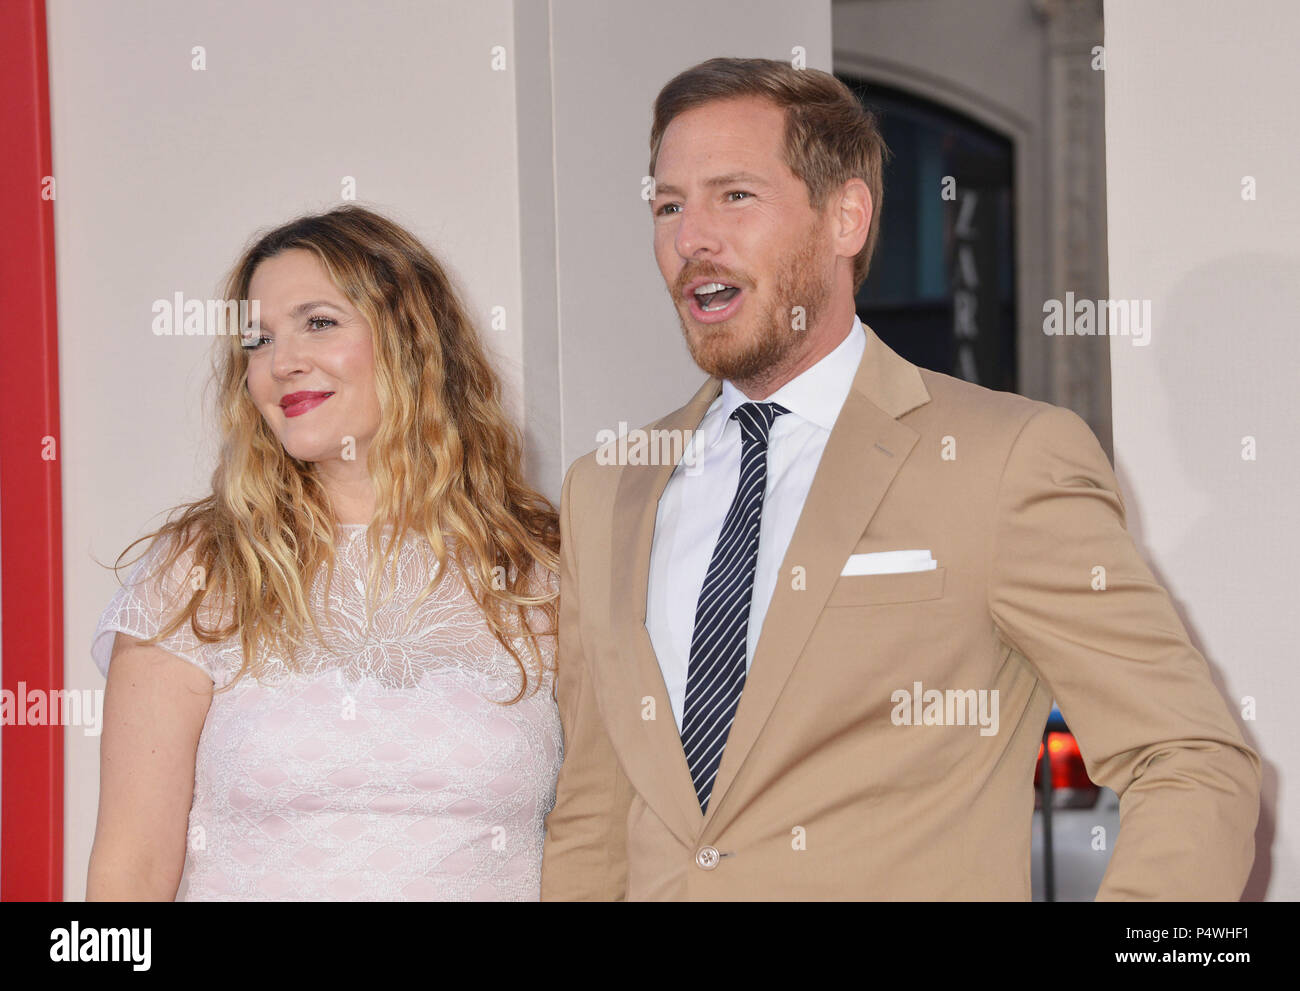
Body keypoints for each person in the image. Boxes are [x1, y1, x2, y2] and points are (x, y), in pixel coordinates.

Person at [540, 57, 1261, 900]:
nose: (690, 237)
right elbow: (593, 814)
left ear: (846, 216)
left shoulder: (1007, 458)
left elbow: (1190, 759)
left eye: (734, 195)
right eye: (668, 204)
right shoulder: (606, 489)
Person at [87, 205, 561, 901]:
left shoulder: (541, 570)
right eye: (258, 340)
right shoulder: (198, 570)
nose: (282, 362)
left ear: (412, 340)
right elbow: (127, 874)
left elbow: (608, 836)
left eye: (319, 322)